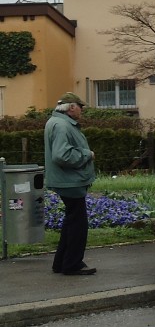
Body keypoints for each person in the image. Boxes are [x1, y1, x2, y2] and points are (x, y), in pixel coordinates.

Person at [43, 92, 97, 276]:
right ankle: (71, 264)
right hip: (70, 181)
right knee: (78, 225)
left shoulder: (56, 122)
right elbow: (61, 155)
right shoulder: (63, 125)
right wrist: (86, 154)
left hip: (66, 180)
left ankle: (61, 263)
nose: (82, 110)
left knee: (71, 221)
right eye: (80, 107)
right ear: (71, 107)